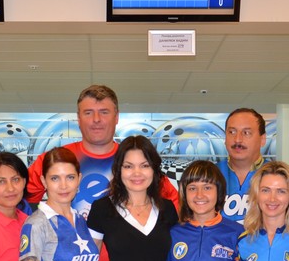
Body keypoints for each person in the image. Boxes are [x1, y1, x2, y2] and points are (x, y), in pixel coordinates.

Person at [27, 84, 178, 219]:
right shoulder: (55, 159)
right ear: (78, 118)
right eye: (88, 113)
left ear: (116, 117)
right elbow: (21, 203)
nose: (96, 119)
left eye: (104, 112)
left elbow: (177, 209)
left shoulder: (136, 161)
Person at [219, 108, 289, 225]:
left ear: (262, 139)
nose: (238, 139)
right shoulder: (208, 177)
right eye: (232, 132)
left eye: (246, 133)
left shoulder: (283, 178)